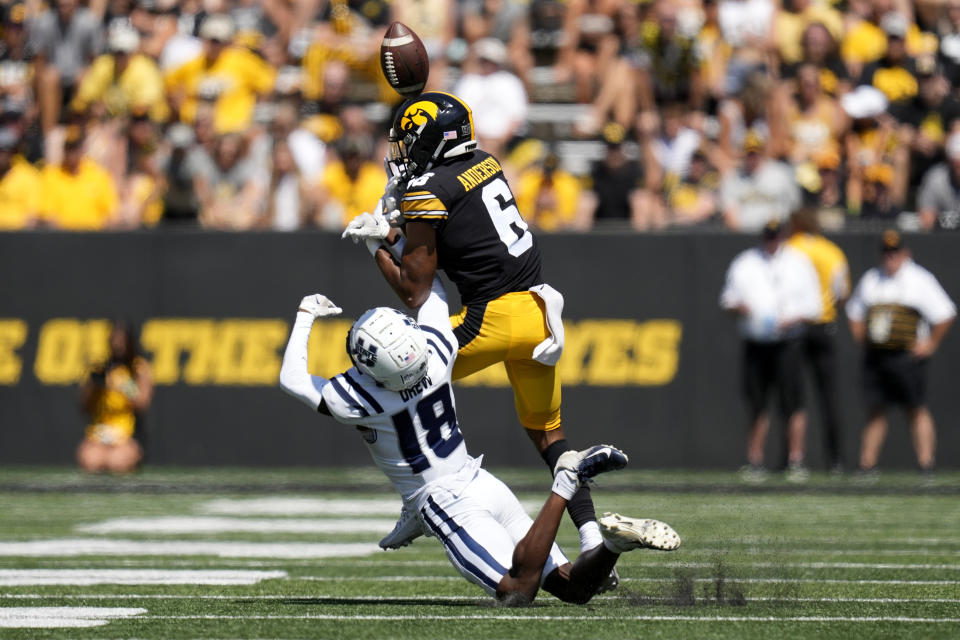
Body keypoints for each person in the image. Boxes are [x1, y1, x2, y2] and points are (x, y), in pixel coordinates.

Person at [341, 92, 632, 584]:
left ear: (436, 139)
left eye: (411, 141)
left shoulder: (428, 188)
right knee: (549, 436)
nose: (404, 152)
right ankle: (589, 541)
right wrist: (398, 229)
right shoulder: (484, 162)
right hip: (540, 311)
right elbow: (457, 229)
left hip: (492, 318)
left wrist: (375, 244)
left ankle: (418, 499)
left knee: (397, 379)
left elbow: (415, 290)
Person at [278, 284, 680, 605]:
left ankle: (566, 479)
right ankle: (612, 544)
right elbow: (430, 288)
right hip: (481, 480)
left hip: (440, 498)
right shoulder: (437, 351)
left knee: (516, 591)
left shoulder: (363, 398)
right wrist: (394, 238)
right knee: (574, 589)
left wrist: (305, 315)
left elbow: (292, 379)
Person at [719, 219, 822, 482]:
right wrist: (741, 308)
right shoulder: (745, 262)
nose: (772, 242)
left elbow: (815, 307)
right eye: (768, 236)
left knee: (793, 402)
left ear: (783, 236)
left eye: (776, 236)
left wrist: (792, 318)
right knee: (757, 403)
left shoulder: (799, 263)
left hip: (789, 342)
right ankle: (755, 460)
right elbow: (728, 300)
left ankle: (795, 460)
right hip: (757, 342)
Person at [845, 231, 955, 476]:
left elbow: (945, 312)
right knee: (875, 409)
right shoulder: (872, 279)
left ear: (906, 253)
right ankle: (867, 464)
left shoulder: (920, 279)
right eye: (886, 252)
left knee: (915, 408)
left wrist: (931, 343)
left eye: (894, 252)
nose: (890, 257)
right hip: (877, 355)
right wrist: (861, 337)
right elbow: (854, 310)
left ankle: (926, 463)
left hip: (906, 356)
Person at [785, 209, 850, 472]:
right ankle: (836, 460)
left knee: (793, 397)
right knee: (829, 397)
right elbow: (842, 293)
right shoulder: (832, 251)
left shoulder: (790, 249)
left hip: (796, 327)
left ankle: (792, 459)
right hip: (824, 325)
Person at [77, 321, 152, 473]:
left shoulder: (138, 368)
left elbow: (142, 403)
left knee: (117, 463)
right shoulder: (101, 368)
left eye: (121, 341)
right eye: (114, 341)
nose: (117, 345)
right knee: (91, 461)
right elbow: (84, 406)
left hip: (125, 434)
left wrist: (124, 385)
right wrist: (93, 385)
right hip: (99, 433)